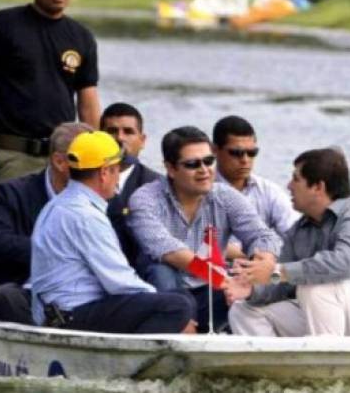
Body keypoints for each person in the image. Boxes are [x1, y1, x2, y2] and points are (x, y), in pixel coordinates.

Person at [0, 0, 101, 310]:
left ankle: (58, 307)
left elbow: (87, 100)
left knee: (70, 232)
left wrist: (100, 156)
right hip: (13, 153)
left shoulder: (81, 37)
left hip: (65, 159)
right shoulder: (4, 25)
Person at [226, 147, 350, 337]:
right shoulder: (299, 230)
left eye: (296, 179)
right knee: (244, 310)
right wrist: (252, 288)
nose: (289, 186)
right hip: (326, 311)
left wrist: (278, 271)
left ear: (318, 187)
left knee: (315, 285)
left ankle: (325, 363)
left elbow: (341, 265)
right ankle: (277, 366)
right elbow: (282, 281)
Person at [30, 131, 196, 333]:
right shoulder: (85, 216)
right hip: (71, 315)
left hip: (58, 312)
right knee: (177, 306)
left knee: (173, 300)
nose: (119, 176)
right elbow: (120, 282)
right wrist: (171, 312)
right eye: (117, 169)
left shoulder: (58, 204)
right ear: (104, 173)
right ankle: (134, 362)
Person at [127, 126, 282, 332]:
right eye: (193, 164)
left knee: (259, 279)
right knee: (161, 270)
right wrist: (222, 279)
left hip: (212, 289)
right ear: (171, 169)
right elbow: (168, 249)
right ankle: (180, 327)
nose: (204, 170)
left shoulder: (224, 195)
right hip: (165, 294)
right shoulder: (145, 199)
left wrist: (263, 262)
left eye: (209, 161)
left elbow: (261, 235)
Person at [0, 122, 92, 323]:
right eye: (88, 161)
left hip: (85, 296)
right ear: (60, 162)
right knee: (6, 297)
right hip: (22, 291)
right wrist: (52, 251)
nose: (98, 169)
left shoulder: (105, 195)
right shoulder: (13, 193)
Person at [213, 115, 299, 236]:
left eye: (252, 153)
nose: (245, 160)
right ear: (215, 150)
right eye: (236, 153)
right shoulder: (198, 191)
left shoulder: (269, 191)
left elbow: (295, 235)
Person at [100, 102, 161, 266]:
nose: (120, 138)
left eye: (128, 132)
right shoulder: (81, 180)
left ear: (142, 140)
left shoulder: (159, 187)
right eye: (112, 131)